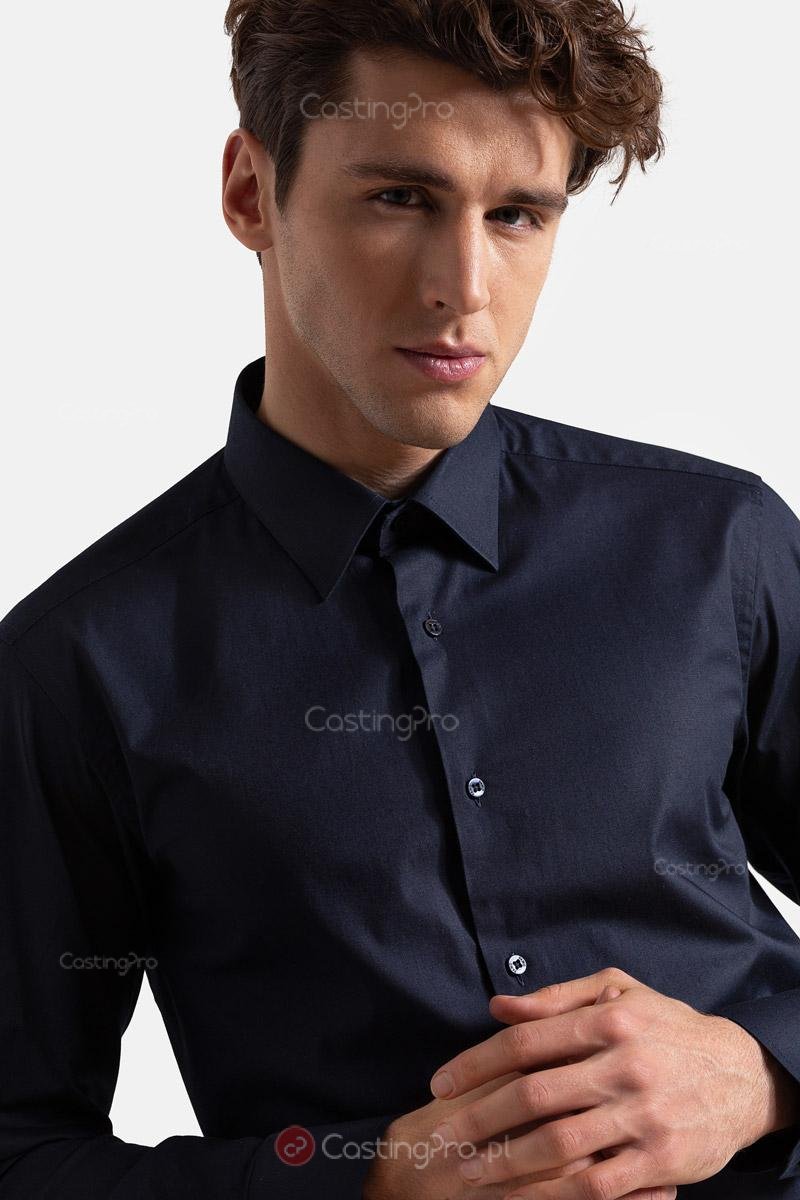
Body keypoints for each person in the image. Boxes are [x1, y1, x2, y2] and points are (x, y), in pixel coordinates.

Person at [1, 1, 799, 1197]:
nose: (461, 288)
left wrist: (761, 1072)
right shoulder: (78, 663)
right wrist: (361, 1181)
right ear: (250, 193)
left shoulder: (715, 544)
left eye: (515, 214)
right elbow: (17, 1151)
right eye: (399, 198)